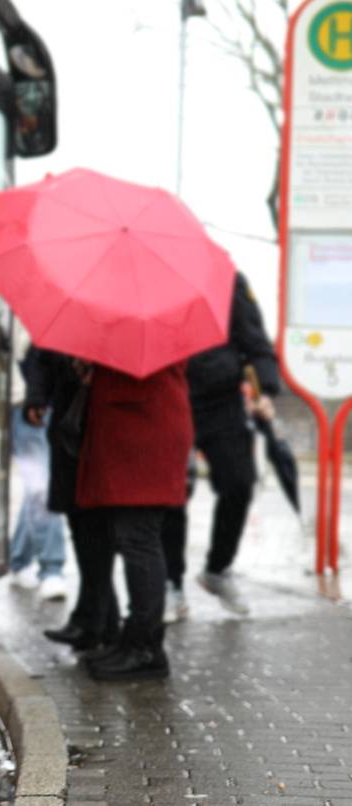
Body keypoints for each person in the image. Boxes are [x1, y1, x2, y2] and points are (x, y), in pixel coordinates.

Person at [163, 271, 281, 618]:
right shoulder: (154, 281)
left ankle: (217, 569)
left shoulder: (228, 280)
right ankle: (171, 584)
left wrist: (267, 392)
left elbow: (257, 344)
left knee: (239, 484)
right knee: (172, 494)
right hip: (171, 398)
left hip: (222, 403)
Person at [76, 361, 194, 681]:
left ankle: (145, 648)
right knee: (136, 538)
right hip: (139, 431)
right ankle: (136, 640)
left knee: (139, 539)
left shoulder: (146, 325)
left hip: (144, 435)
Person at [26, 351, 121, 652]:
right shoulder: (73, 321)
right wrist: (38, 396)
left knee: (97, 531)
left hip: (104, 433)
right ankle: (96, 618)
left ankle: (99, 621)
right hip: (71, 432)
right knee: (82, 528)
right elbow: (40, 357)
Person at [8, 346, 67, 599]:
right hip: (31, 407)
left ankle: (19, 559)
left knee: (38, 489)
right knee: (42, 488)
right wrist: (35, 396)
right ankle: (52, 568)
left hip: (51, 405)